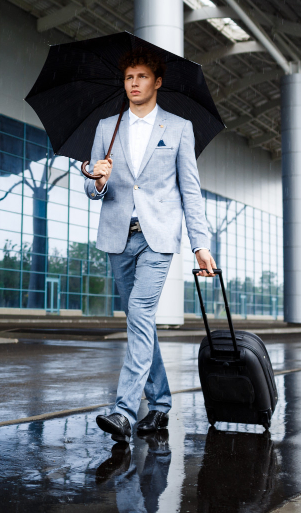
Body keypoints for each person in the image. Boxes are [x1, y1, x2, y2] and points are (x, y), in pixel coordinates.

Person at [85, 46, 216, 442]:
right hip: (117, 236)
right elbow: (92, 189)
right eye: (129, 78)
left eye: (142, 77)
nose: (134, 84)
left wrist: (200, 244)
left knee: (141, 312)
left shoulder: (178, 128)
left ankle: (124, 410)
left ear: (157, 82)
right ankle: (159, 405)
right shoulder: (107, 128)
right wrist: (99, 178)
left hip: (158, 238)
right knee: (139, 322)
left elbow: (190, 191)